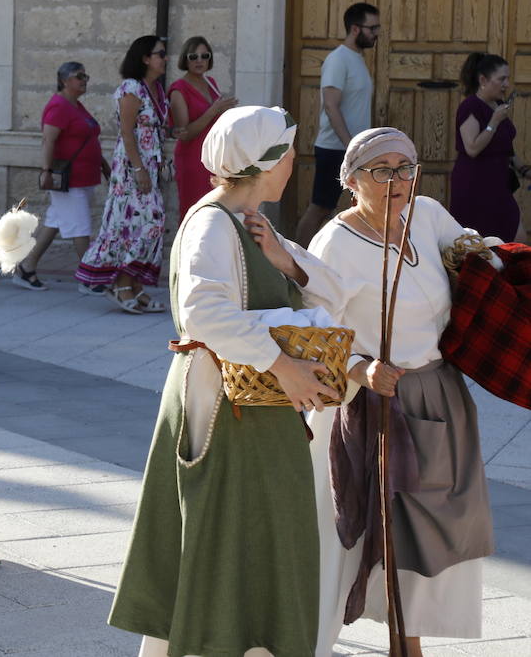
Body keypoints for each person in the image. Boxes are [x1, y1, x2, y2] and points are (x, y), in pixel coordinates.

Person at [108, 105, 346, 657]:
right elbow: (202, 313)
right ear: (268, 164)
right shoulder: (213, 222)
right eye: (288, 151)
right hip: (220, 400)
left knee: (261, 529)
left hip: (257, 399)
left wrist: (283, 259)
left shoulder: (252, 223)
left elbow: (333, 291)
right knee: (221, 530)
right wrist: (283, 365)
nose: (295, 159)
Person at [308, 128, 494, 656]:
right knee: (379, 535)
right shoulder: (336, 243)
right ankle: (397, 645)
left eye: (406, 168)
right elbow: (314, 327)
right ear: (350, 180)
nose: (397, 180)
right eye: (381, 170)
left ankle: (406, 640)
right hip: (376, 404)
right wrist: (360, 367)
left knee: (433, 532)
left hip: (439, 395)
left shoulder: (427, 215)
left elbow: (472, 253)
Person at [75, 36, 170, 314]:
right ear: (144, 58)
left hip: (149, 165)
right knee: (145, 222)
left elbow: (155, 129)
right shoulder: (132, 88)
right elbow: (127, 132)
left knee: (145, 225)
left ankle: (134, 284)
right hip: (131, 168)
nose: (164, 58)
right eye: (159, 54)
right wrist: (139, 168)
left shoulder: (156, 90)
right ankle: (121, 283)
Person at [14, 60, 110, 291]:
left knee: (55, 222)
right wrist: (46, 171)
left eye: (85, 76)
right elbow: (49, 140)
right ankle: (88, 278)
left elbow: (89, 140)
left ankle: (27, 268)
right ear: (65, 81)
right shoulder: (59, 107)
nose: (84, 80)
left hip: (84, 176)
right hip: (69, 180)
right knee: (80, 226)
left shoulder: (76, 106)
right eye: (79, 76)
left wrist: (105, 167)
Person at [296, 2, 379, 247]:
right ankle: (294, 264)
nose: (377, 34)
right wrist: (349, 146)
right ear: (355, 29)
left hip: (355, 149)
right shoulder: (338, 59)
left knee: (361, 208)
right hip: (335, 149)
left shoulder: (357, 59)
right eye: (372, 28)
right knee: (321, 206)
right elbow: (331, 106)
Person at [451, 52, 526, 242]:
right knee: (478, 244)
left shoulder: (498, 105)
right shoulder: (470, 107)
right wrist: (494, 121)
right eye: (501, 79)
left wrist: (523, 169)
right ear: (483, 80)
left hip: (498, 184)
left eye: (507, 79)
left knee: (517, 239)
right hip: (475, 184)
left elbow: (506, 146)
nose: (506, 84)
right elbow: (472, 148)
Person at [167, 36, 237, 220]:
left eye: (204, 56)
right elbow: (185, 132)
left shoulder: (210, 83)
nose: (199, 60)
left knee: (214, 212)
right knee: (194, 211)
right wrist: (214, 110)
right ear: (185, 59)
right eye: (193, 56)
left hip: (213, 158)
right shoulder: (179, 89)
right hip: (192, 159)